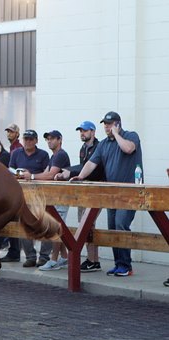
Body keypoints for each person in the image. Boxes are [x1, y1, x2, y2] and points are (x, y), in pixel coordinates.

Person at [71, 111, 143, 277]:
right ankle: (119, 264)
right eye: (105, 124)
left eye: (110, 124)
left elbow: (128, 149)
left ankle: (126, 265)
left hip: (129, 192)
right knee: (112, 229)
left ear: (118, 124)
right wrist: (81, 176)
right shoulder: (103, 144)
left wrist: (117, 134)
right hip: (112, 193)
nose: (107, 127)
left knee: (121, 225)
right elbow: (91, 163)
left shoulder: (131, 136)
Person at [55, 121, 105, 272]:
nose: (82, 133)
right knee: (87, 224)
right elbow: (83, 167)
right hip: (85, 190)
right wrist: (69, 172)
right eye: (80, 131)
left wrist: (68, 171)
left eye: (85, 131)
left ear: (93, 132)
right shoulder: (83, 148)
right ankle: (93, 261)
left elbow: (93, 169)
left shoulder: (99, 147)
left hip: (96, 189)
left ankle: (92, 260)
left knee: (87, 224)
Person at [24, 130, 70, 271]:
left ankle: (54, 260)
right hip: (55, 197)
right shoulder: (54, 156)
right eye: (47, 139)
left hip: (61, 197)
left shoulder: (61, 154)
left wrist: (30, 176)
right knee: (58, 226)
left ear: (59, 139)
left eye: (52, 139)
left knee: (56, 227)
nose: (49, 141)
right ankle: (64, 257)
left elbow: (50, 175)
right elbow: (45, 173)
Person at [7, 129, 50, 267]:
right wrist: (17, 175)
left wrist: (31, 175)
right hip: (21, 193)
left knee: (45, 224)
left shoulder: (43, 155)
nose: (28, 141)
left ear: (36, 140)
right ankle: (30, 256)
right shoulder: (16, 153)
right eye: (26, 139)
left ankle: (44, 257)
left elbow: (46, 174)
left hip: (39, 193)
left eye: (31, 139)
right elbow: (10, 169)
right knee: (24, 224)